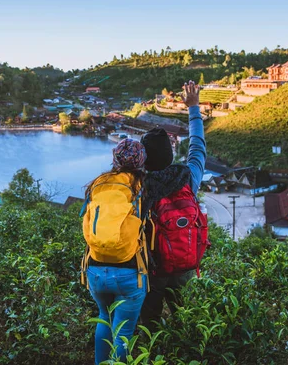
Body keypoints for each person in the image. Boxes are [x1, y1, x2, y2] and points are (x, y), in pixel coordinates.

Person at [139, 80, 206, 331]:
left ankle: (154, 349)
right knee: (185, 316)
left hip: (153, 268)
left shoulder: (141, 186)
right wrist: (194, 108)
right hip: (185, 262)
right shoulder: (187, 178)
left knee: (151, 322)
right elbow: (198, 145)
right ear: (171, 154)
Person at [80, 138, 149, 364]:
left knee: (104, 319)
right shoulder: (141, 186)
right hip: (130, 271)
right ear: (141, 161)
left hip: (95, 269)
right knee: (123, 333)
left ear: (114, 158)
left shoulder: (98, 184)